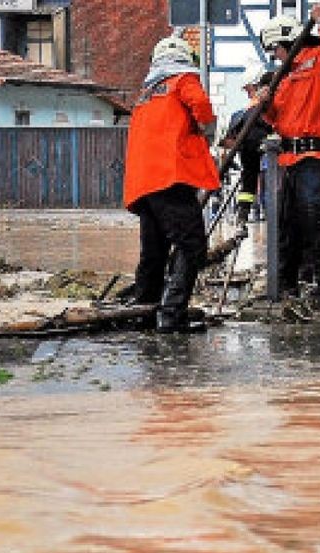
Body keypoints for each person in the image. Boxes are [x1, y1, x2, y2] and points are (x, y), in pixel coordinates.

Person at [122, 34, 220, 332]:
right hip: (170, 177)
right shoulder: (182, 79)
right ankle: (172, 314)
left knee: (153, 250)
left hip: (143, 184)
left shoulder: (147, 93)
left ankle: (144, 312)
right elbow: (201, 105)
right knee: (192, 246)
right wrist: (207, 129)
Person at [257, 6, 320, 309]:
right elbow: (277, 118)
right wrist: (265, 104)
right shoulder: (285, 76)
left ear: (285, 42)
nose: (273, 57)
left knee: (314, 220)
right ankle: (287, 286)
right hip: (288, 160)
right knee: (288, 225)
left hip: (315, 155)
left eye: (274, 50)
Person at [219, 65, 274, 225]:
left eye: (249, 89)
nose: (248, 94)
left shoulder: (258, 110)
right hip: (257, 161)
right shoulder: (248, 112)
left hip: (272, 162)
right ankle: (243, 214)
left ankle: (245, 214)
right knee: (250, 181)